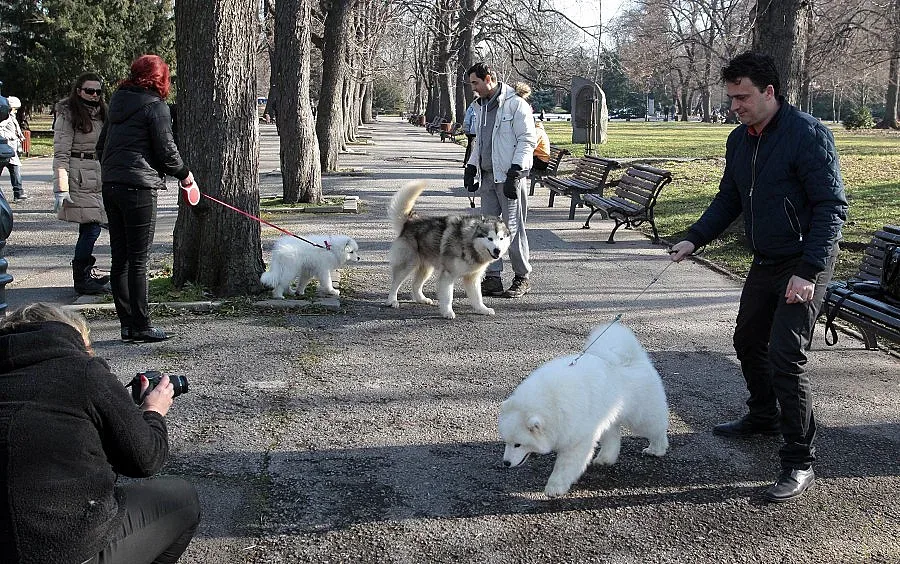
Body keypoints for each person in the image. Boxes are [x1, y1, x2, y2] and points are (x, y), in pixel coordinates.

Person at [669, 51, 848, 503]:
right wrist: (695, 238)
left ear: (770, 92)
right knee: (748, 341)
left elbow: (831, 209)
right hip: (765, 260)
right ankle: (763, 416)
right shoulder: (740, 139)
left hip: (804, 263)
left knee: (787, 357)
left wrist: (808, 272)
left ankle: (799, 460)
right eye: (731, 98)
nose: (735, 106)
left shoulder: (808, 135)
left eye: (742, 97)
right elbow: (729, 198)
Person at [0, 302, 200, 563]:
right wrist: (153, 410)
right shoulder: (84, 372)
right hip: (62, 549)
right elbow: (146, 459)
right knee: (183, 499)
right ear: (75, 338)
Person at [97, 54, 197, 343]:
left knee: (121, 259)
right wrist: (185, 175)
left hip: (111, 184)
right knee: (138, 261)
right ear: (160, 78)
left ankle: (127, 325)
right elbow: (167, 151)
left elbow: (101, 146)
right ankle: (141, 326)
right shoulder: (156, 106)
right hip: (138, 188)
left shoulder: (118, 102)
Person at [463, 63, 536, 298]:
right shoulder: (479, 107)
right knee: (488, 231)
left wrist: (516, 171)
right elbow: (479, 142)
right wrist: (471, 167)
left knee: (513, 230)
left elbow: (527, 140)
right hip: (487, 177)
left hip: (509, 178)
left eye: (476, 83)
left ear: (489, 79)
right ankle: (492, 277)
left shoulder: (515, 105)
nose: (473, 88)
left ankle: (521, 277)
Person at [53, 72, 112, 295]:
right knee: (91, 227)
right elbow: (60, 154)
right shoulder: (68, 114)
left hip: (98, 173)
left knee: (95, 226)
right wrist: (61, 187)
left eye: (98, 91)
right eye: (89, 91)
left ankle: (85, 273)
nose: (94, 95)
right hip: (78, 175)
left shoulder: (102, 113)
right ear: (79, 91)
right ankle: (81, 278)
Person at [0, 95, 26, 202]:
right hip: (7, 147)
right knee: (14, 170)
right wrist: (11, 136)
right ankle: (18, 192)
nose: (15, 111)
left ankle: (18, 192)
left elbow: (16, 129)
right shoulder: (5, 118)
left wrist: (20, 135)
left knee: (15, 169)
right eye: (15, 108)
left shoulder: (12, 117)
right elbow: (2, 130)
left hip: (12, 148)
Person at [462, 94, 478, 166]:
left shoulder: (483, 107)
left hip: (477, 131)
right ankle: (468, 162)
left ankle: (471, 162)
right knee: (471, 146)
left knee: (472, 146)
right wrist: (466, 129)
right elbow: (467, 119)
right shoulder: (472, 108)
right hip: (472, 131)